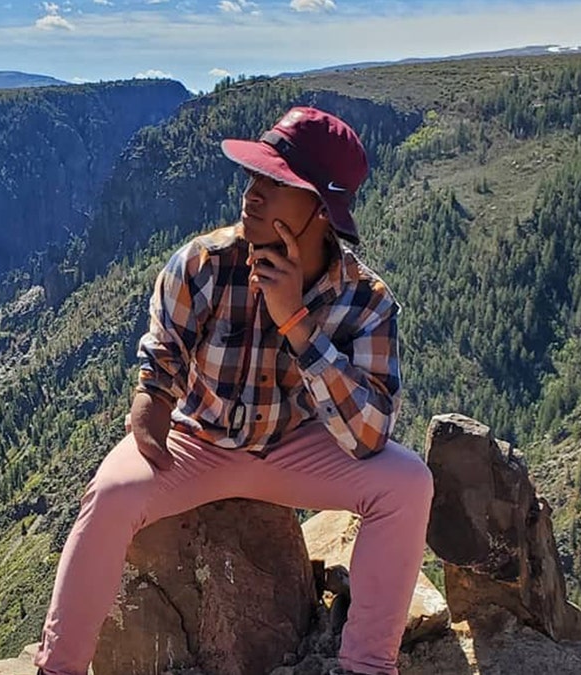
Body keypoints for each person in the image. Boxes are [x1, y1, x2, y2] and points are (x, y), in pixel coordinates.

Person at [33, 106, 434, 675]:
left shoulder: (366, 300)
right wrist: (150, 400)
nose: (253, 193)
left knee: (408, 485)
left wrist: (296, 322)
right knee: (110, 495)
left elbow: (370, 435)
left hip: (296, 449)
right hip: (198, 442)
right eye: (254, 177)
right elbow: (163, 348)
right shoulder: (204, 261)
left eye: (276, 183)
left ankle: (368, 666)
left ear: (320, 211)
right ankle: (58, 667)